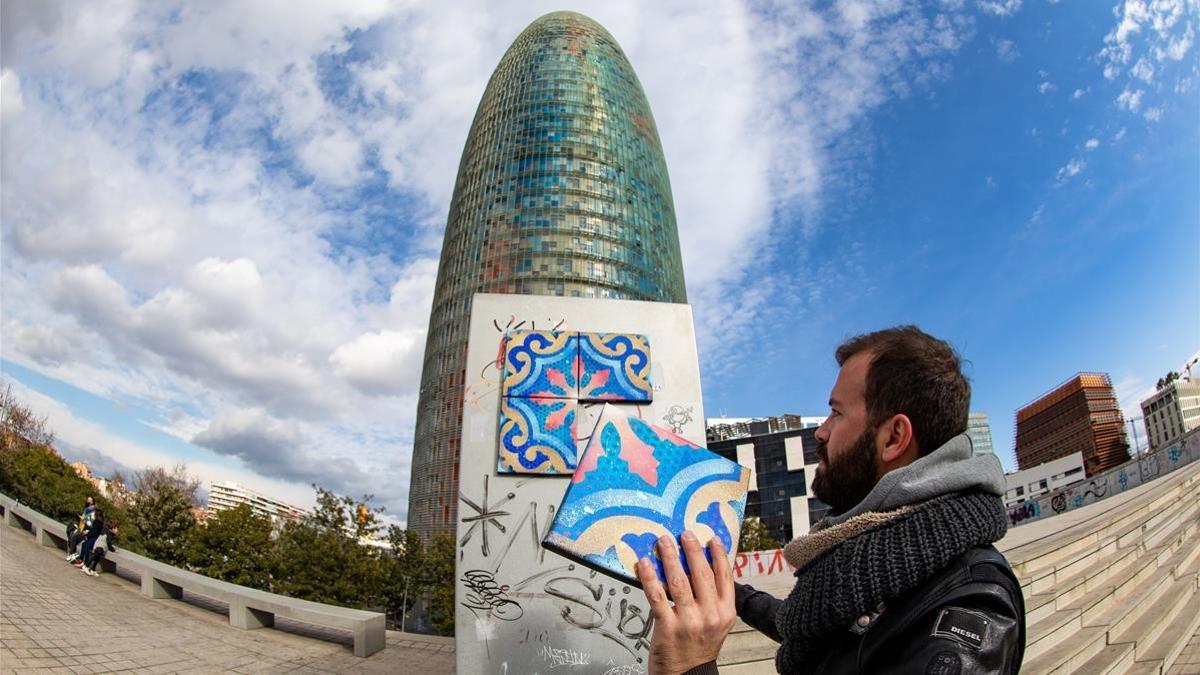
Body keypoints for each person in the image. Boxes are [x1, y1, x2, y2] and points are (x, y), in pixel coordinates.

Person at [636, 326, 1025, 674]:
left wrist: (688, 668)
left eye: (836, 413)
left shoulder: (971, 603)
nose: (820, 433)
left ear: (893, 438)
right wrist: (726, 590)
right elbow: (816, 626)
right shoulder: (885, 559)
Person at [66, 496, 96, 562]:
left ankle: (72, 555)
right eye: (88, 500)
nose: (88, 502)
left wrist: (83, 520)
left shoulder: (92, 512)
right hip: (81, 528)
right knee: (71, 536)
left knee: (74, 537)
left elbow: (90, 523)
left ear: (93, 503)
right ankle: (73, 555)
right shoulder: (86, 509)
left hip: (86, 531)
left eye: (90, 501)